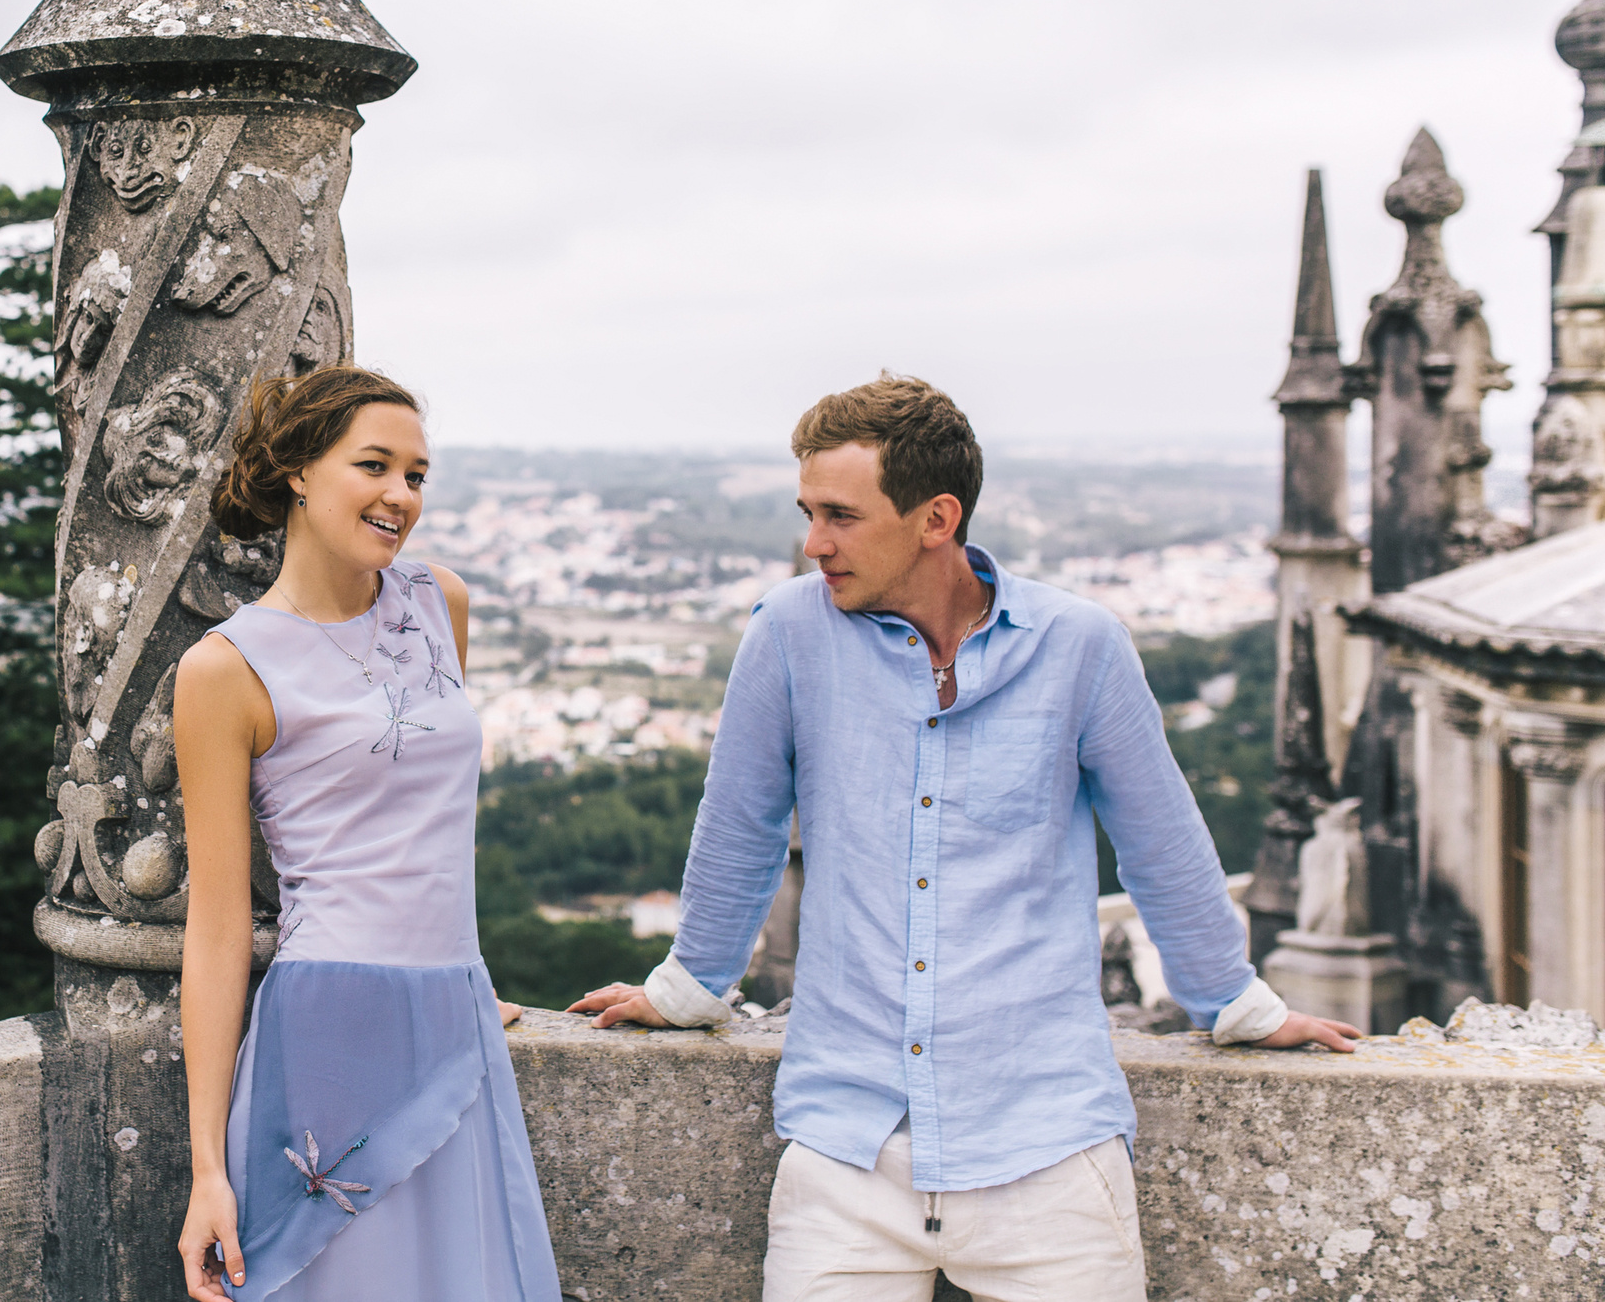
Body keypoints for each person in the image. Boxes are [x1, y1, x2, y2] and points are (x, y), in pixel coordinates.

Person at [571, 374, 1358, 1301]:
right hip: (847, 1155)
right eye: (808, 511)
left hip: (1049, 1151)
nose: (814, 541)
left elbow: (1160, 838)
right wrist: (690, 986)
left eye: (840, 515)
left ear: (936, 516)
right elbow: (739, 825)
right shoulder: (787, 633)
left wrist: (1235, 1001)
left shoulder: (1080, 645)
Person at [173, 365, 561, 1302]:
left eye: (417, 475)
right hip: (328, 1034)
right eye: (375, 465)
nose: (401, 495)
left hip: (455, 1015)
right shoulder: (224, 669)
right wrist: (207, 1170)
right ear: (300, 470)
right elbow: (219, 925)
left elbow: (427, 815)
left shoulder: (442, 603)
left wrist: (463, 978)